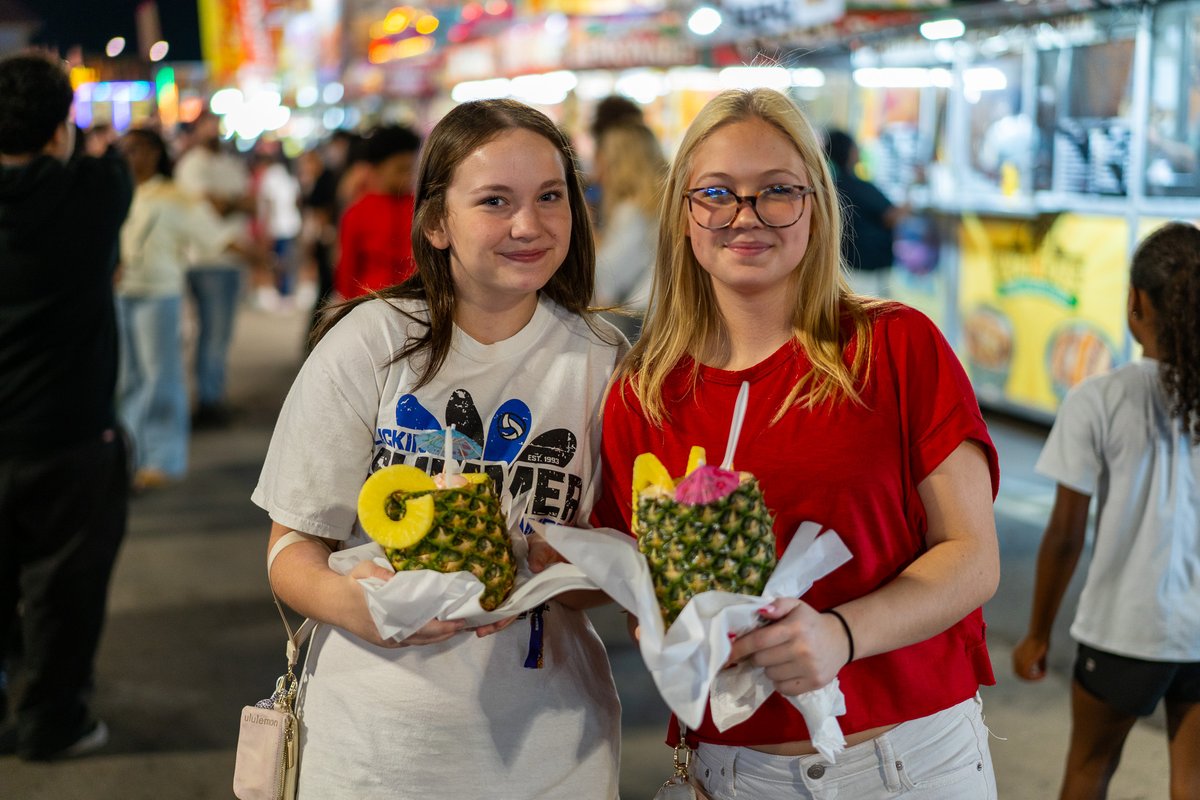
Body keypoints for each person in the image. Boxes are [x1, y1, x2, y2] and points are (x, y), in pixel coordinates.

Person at [592, 89, 1000, 799]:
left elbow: (973, 558)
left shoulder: (895, 347)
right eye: (717, 193)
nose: (745, 218)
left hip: (912, 764)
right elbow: (643, 593)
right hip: (736, 773)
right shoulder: (642, 394)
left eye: (776, 192)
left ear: (815, 204)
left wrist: (841, 635)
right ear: (683, 214)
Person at [252, 99, 626, 798]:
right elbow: (289, 551)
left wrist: (572, 572)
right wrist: (356, 605)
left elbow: (604, 578)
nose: (529, 224)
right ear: (435, 222)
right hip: (372, 748)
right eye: (495, 201)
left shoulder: (604, 359)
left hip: (550, 749)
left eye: (551, 197)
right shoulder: (370, 340)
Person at [1013, 222, 1200, 800]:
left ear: (1135, 301)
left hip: (1124, 630)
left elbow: (1066, 534)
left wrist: (1038, 632)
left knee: (1089, 771)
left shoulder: (1098, 397)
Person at [0, 51, 132, 760]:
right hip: (69, 431)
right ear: (59, 129)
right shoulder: (95, 191)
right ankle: (52, 719)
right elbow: (107, 159)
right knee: (63, 587)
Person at [116, 128, 246, 490]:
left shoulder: (174, 195)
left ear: (157, 154)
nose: (131, 157)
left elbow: (213, 234)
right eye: (125, 150)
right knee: (127, 379)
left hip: (159, 293)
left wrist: (255, 254)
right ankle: (131, 454)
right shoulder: (117, 191)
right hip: (120, 293)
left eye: (139, 150)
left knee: (160, 376)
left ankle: (162, 458)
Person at [174, 110, 255, 429]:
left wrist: (227, 202)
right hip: (207, 259)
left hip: (231, 258)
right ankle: (208, 400)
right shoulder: (192, 165)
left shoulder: (229, 164)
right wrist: (230, 203)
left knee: (220, 334)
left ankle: (214, 395)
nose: (213, 133)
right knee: (212, 333)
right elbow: (208, 208)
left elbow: (248, 203)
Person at [591, 122, 666, 340]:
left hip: (637, 326)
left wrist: (589, 241)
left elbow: (605, 283)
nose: (598, 172)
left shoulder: (632, 212)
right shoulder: (658, 206)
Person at [333, 123, 421, 300]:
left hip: (416, 305)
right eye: (400, 169)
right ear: (377, 168)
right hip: (368, 304)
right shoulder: (357, 213)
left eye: (411, 168)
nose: (408, 176)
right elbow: (347, 270)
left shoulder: (421, 207)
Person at [823, 128, 904, 298]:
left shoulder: (829, 186)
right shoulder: (859, 187)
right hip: (866, 274)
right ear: (849, 152)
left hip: (844, 269)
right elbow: (891, 216)